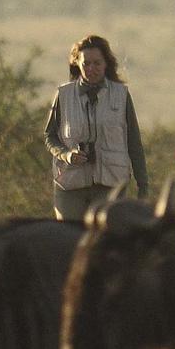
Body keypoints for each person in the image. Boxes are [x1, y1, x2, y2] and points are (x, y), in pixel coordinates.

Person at [42, 33, 147, 222]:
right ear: (77, 64)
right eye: (86, 64)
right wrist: (66, 154)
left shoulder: (121, 95)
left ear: (106, 63)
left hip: (110, 183)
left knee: (106, 239)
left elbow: (133, 141)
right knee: (69, 237)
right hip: (70, 183)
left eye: (97, 63)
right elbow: (50, 136)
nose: (91, 69)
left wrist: (143, 183)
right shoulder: (64, 95)